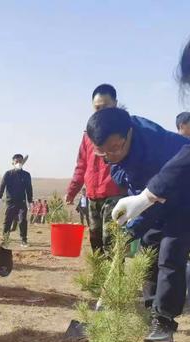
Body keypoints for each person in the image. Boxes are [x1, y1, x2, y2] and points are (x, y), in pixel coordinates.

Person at [86, 107, 190, 342]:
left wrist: (145, 200)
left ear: (128, 134)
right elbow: (140, 193)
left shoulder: (155, 144)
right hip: (157, 201)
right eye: (102, 153)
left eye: (114, 149)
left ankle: (164, 320)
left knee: (170, 253)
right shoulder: (114, 153)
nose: (109, 156)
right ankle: (151, 311)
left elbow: (165, 186)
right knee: (149, 248)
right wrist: (132, 229)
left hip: (185, 197)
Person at [65, 84, 125, 252]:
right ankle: (98, 277)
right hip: (92, 196)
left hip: (115, 195)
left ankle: (113, 278)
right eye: (97, 108)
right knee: (95, 243)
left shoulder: (125, 131)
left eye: (105, 107)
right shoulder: (88, 135)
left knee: (111, 244)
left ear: (115, 104)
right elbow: (81, 165)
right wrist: (72, 191)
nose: (101, 112)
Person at [0, 154, 32, 247]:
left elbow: (29, 189)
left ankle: (24, 240)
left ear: (22, 162)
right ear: (13, 163)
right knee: (7, 221)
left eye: (20, 161)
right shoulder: (8, 174)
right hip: (10, 202)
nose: (18, 163)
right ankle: (5, 239)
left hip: (22, 202)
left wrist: (30, 201)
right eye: (16, 161)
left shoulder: (26, 175)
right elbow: (2, 186)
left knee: (22, 220)